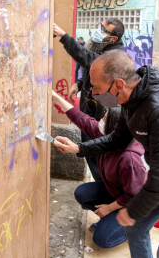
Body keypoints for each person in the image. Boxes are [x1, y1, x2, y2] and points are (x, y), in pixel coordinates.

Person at [54, 50, 159, 258]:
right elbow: (116, 140)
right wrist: (79, 148)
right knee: (134, 229)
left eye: (96, 88)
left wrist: (131, 210)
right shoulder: (131, 102)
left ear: (117, 85)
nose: (93, 94)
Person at [52, 90, 147, 249]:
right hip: (119, 192)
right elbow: (80, 118)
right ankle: (113, 218)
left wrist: (109, 208)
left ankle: (134, 229)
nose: (100, 121)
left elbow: (135, 195)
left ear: (115, 128)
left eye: (104, 118)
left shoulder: (129, 159)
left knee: (102, 239)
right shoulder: (107, 136)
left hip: (136, 204)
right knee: (82, 193)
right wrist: (55, 96)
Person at [53, 19, 125, 181]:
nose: (100, 31)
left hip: (101, 113)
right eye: (101, 27)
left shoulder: (115, 55)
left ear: (113, 39)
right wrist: (79, 84)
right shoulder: (101, 46)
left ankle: (103, 187)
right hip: (90, 106)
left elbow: (90, 60)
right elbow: (91, 71)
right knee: (90, 148)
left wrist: (64, 36)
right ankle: (101, 184)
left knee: (96, 154)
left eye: (105, 31)